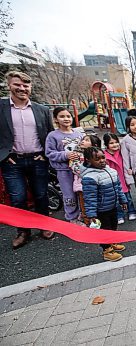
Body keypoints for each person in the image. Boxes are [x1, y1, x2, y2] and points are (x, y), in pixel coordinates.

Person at [0, 71, 55, 249]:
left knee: (41, 194)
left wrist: (45, 154)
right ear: (9, 85)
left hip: (37, 158)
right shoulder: (1, 108)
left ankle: (44, 225)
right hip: (12, 161)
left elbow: (49, 134)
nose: (22, 88)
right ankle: (23, 231)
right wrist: (5, 156)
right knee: (18, 198)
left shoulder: (41, 110)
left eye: (26, 85)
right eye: (18, 85)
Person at [81, 146, 128, 262]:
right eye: (97, 159)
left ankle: (113, 241)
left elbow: (118, 188)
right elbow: (89, 198)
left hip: (112, 206)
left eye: (103, 157)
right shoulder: (89, 177)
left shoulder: (111, 171)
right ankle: (107, 250)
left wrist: (123, 200)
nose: (102, 161)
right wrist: (91, 214)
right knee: (104, 229)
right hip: (101, 210)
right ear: (88, 160)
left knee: (113, 225)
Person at [45, 107, 84, 224]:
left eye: (68, 116)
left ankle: (84, 214)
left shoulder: (78, 134)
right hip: (64, 171)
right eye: (62, 116)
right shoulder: (53, 136)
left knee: (82, 192)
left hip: (80, 170)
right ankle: (72, 217)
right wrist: (65, 155)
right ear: (56, 119)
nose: (66, 119)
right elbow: (49, 153)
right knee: (69, 194)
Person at [103, 133, 136, 224]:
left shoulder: (122, 152)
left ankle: (131, 211)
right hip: (112, 180)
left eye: (116, 142)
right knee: (116, 200)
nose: (115, 145)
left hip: (123, 178)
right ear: (106, 145)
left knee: (128, 197)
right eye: (111, 143)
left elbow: (128, 161)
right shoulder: (104, 155)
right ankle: (119, 215)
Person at [71, 134, 102, 226]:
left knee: (96, 203)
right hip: (82, 185)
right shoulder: (76, 154)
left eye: (87, 140)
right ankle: (88, 223)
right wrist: (90, 172)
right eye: (83, 140)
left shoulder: (97, 155)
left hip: (96, 183)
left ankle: (98, 221)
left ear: (94, 145)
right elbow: (75, 168)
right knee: (85, 205)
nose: (83, 141)